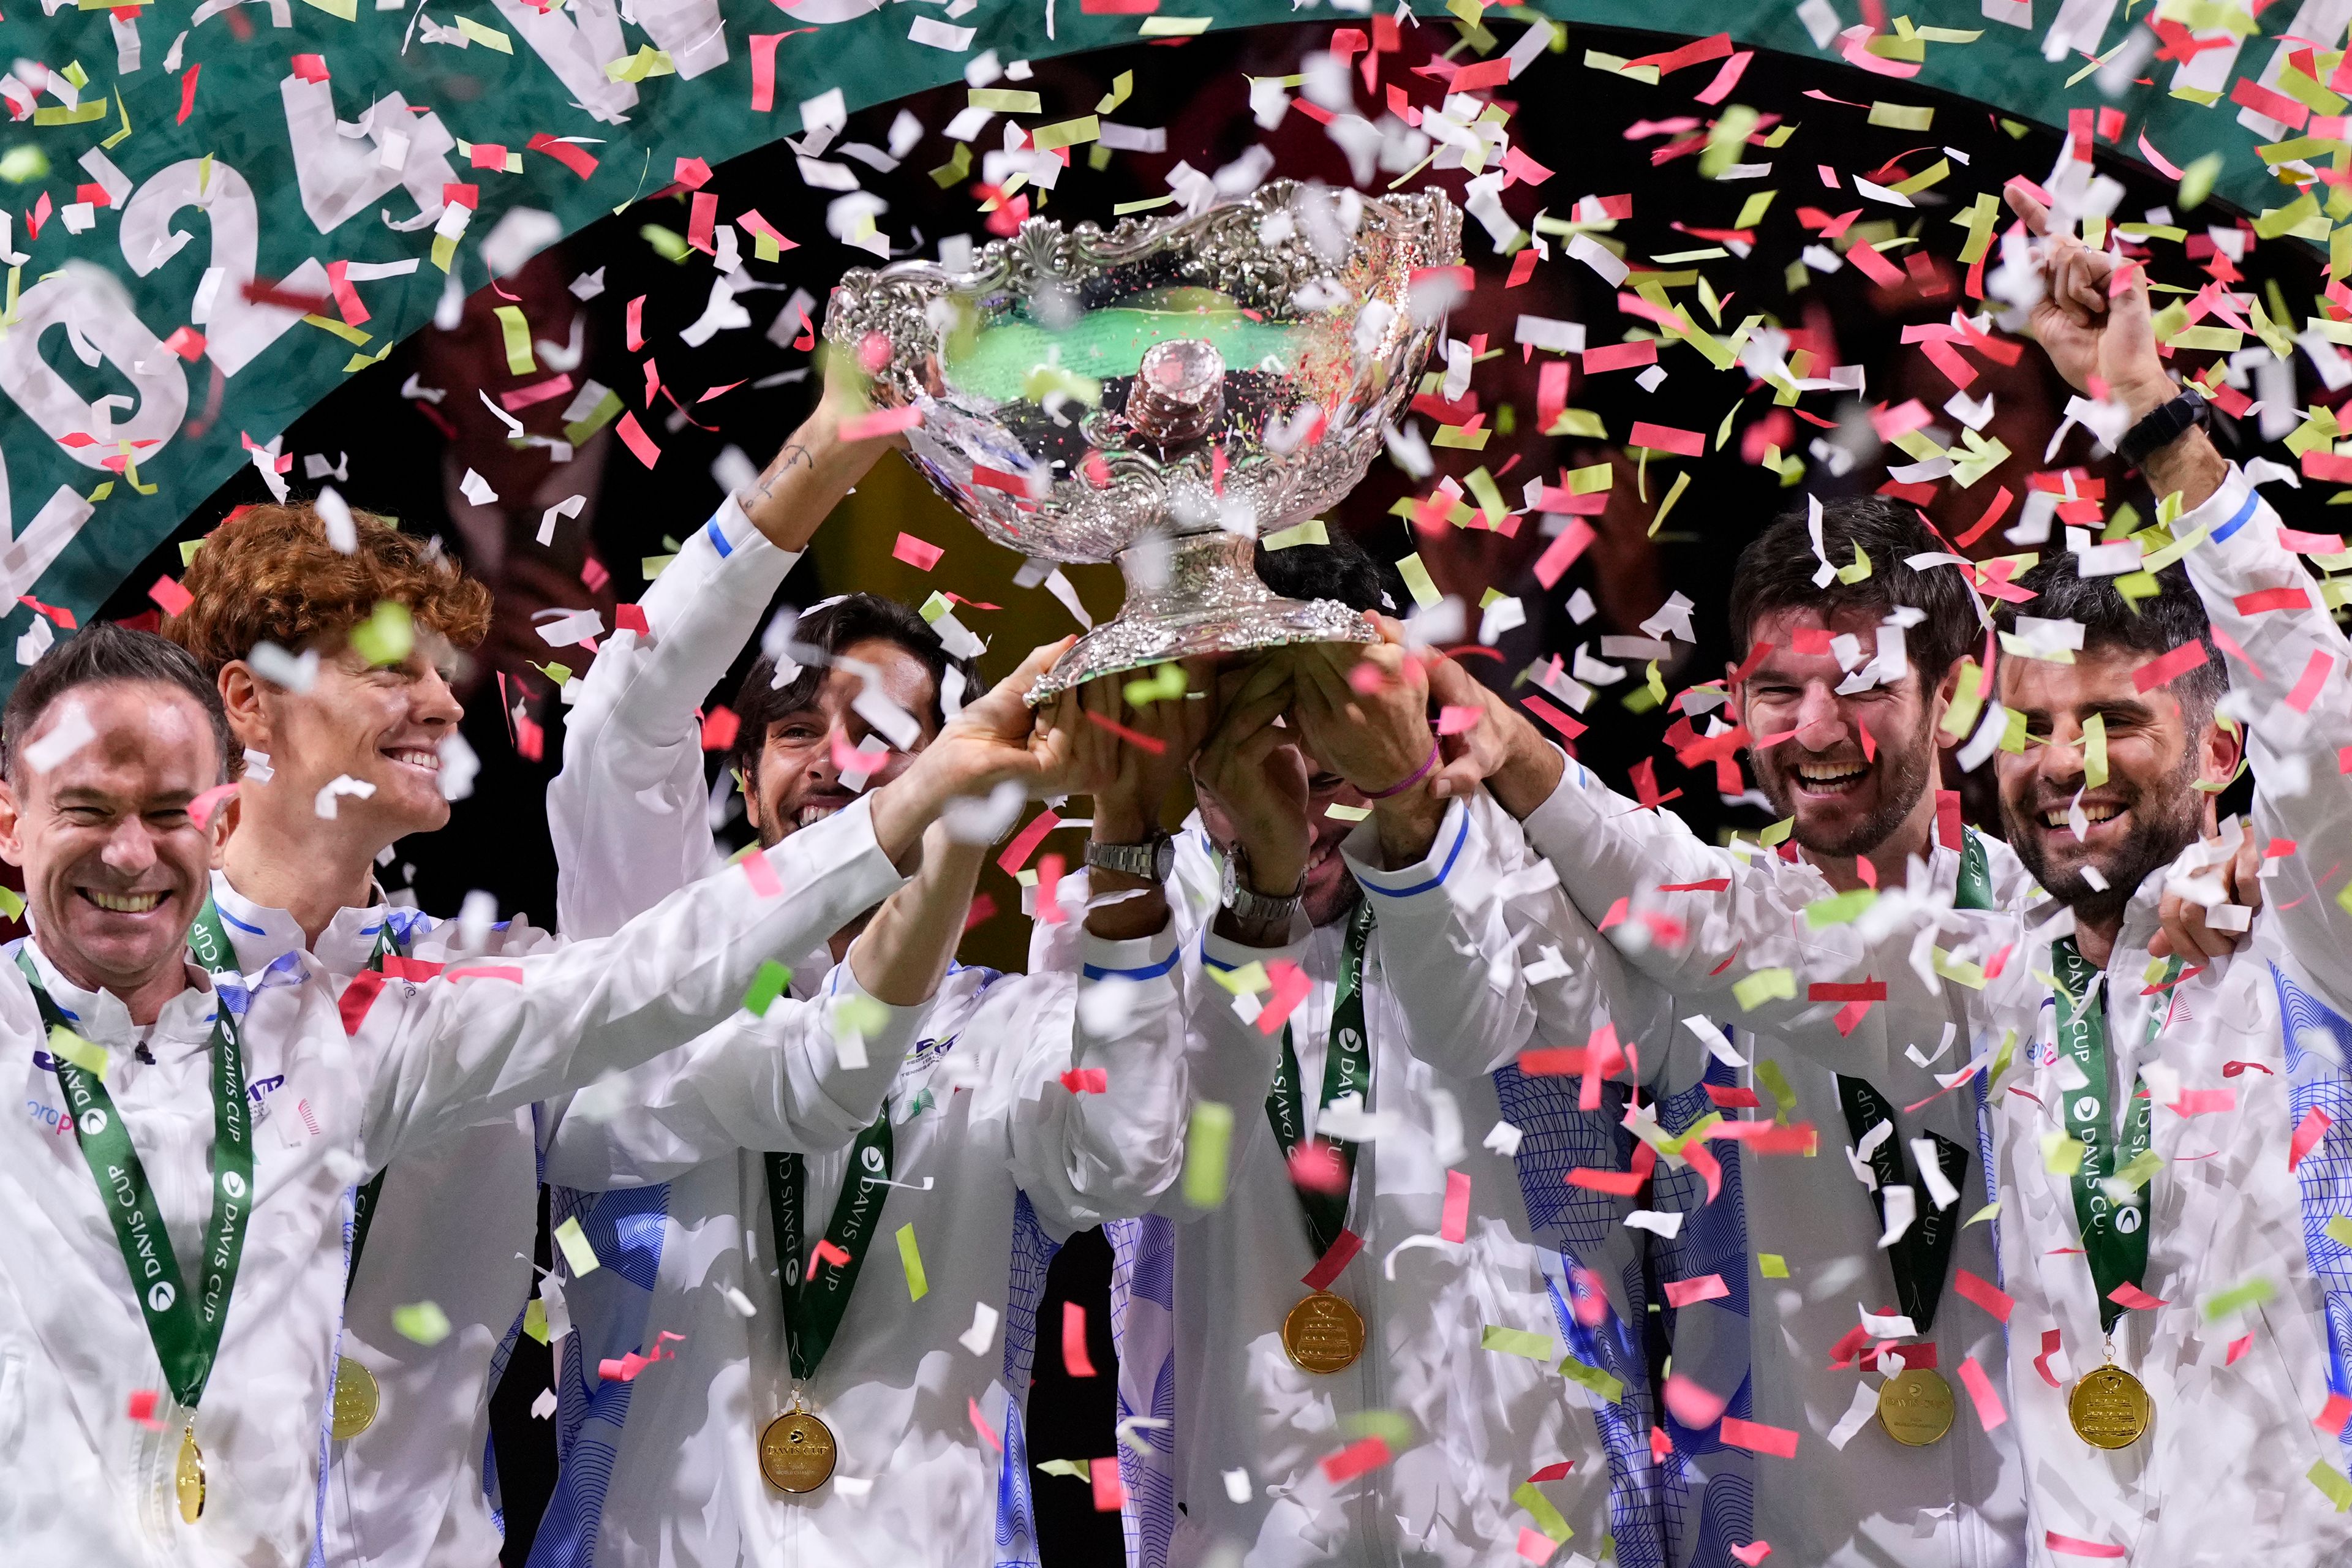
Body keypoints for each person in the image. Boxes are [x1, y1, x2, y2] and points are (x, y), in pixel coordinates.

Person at [1426, 181, 2351, 1563]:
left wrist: (2164, 434)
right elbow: (1710, 915)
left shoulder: (2293, 939)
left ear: (2218, 747)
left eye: (2119, 722)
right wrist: (1510, 751)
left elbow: (2320, 722)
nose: (2069, 763)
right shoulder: (1998, 974)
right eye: (2037, 727)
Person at [0, 616, 1060, 1565]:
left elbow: (654, 971)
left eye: (169, 810)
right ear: (12, 823)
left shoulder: (367, 1033)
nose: (133, 852)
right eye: (88, 809)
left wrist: (932, 806)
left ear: (213, 811)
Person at [529, 389, 1217, 1568]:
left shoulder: (1010, 1030)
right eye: (799, 730)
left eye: (888, 735)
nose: (840, 763)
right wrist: (837, 439)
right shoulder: (653, 979)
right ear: (741, 785)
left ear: (959, 768)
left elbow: (1130, 1156)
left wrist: (1127, 847)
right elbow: (618, 728)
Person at [1123, 533, 1668, 1567]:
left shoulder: (1503, 855)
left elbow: (1508, 1033)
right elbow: (1165, 1164)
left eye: (1341, 776)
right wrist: (1257, 902)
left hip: (1515, 1512)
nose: (1309, 820)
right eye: (1268, 780)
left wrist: (1418, 837)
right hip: (1249, 1521)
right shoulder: (1131, 915)